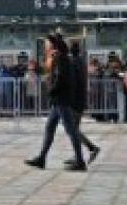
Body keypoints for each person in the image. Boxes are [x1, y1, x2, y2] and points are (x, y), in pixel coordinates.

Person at [26, 33, 87, 171]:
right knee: (50, 127)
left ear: (52, 45)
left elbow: (60, 78)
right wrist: (38, 70)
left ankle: (80, 161)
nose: (45, 46)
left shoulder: (61, 58)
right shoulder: (59, 58)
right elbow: (53, 74)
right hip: (59, 99)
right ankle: (42, 158)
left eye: (47, 44)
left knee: (71, 130)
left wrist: (51, 91)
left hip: (61, 99)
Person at [69, 41, 99, 161]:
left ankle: (91, 148)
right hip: (80, 99)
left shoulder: (73, 63)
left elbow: (72, 82)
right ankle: (78, 153)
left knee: (72, 129)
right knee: (73, 129)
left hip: (74, 100)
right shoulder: (81, 62)